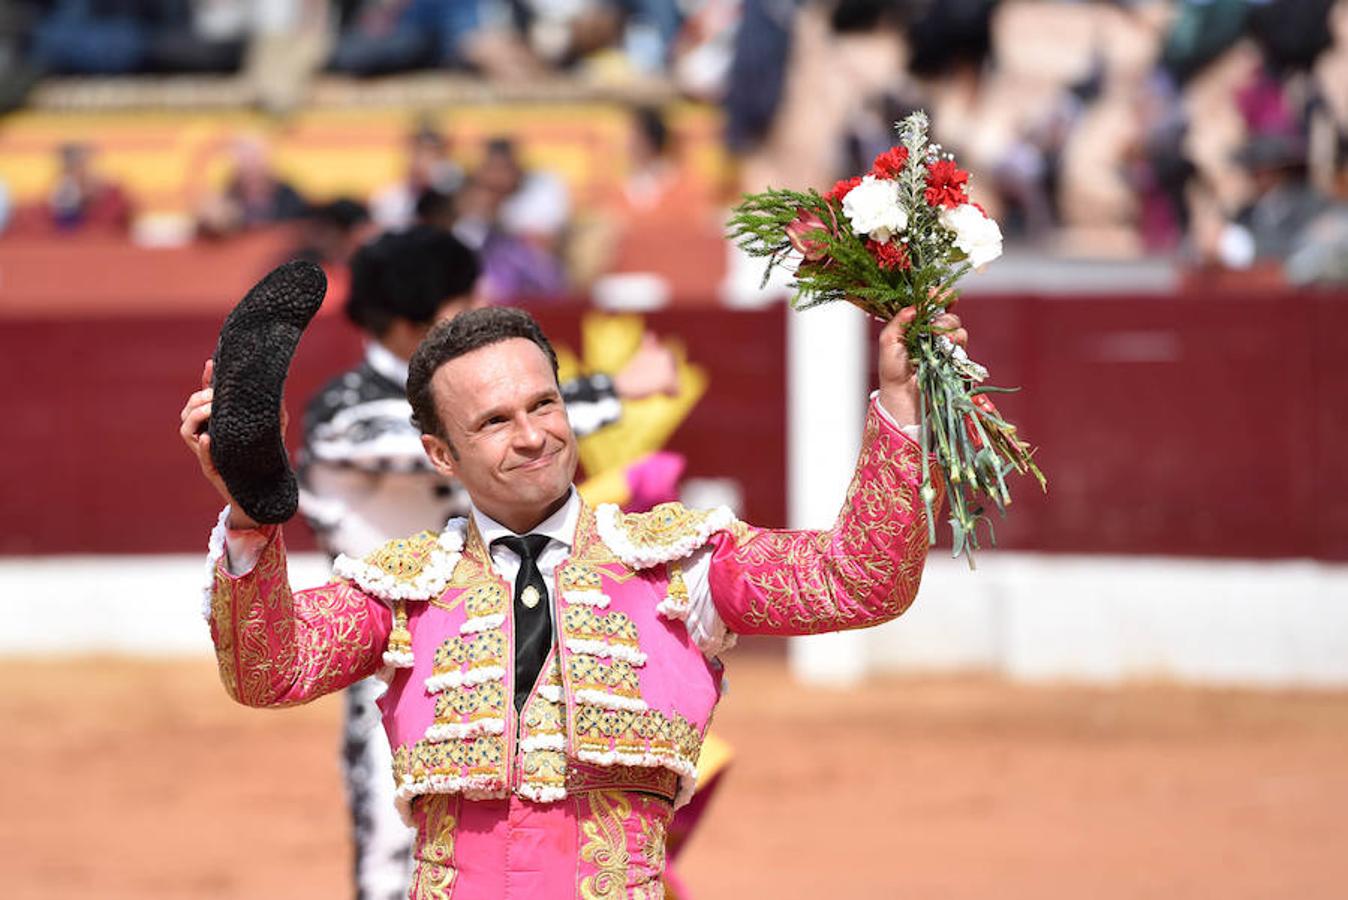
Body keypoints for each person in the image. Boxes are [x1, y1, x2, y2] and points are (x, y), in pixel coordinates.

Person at [180, 300, 957, 895]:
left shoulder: (678, 562)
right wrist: (251, 514)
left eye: (543, 405)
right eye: (494, 421)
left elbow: (859, 581)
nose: (532, 436)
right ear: (440, 453)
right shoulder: (403, 589)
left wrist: (898, 406)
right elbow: (267, 671)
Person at [296, 225, 680, 899]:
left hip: (521, 641)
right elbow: (444, 435)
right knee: (395, 861)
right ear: (418, 318)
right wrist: (611, 390)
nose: (480, 304)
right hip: (392, 658)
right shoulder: (346, 411)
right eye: (463, 296)